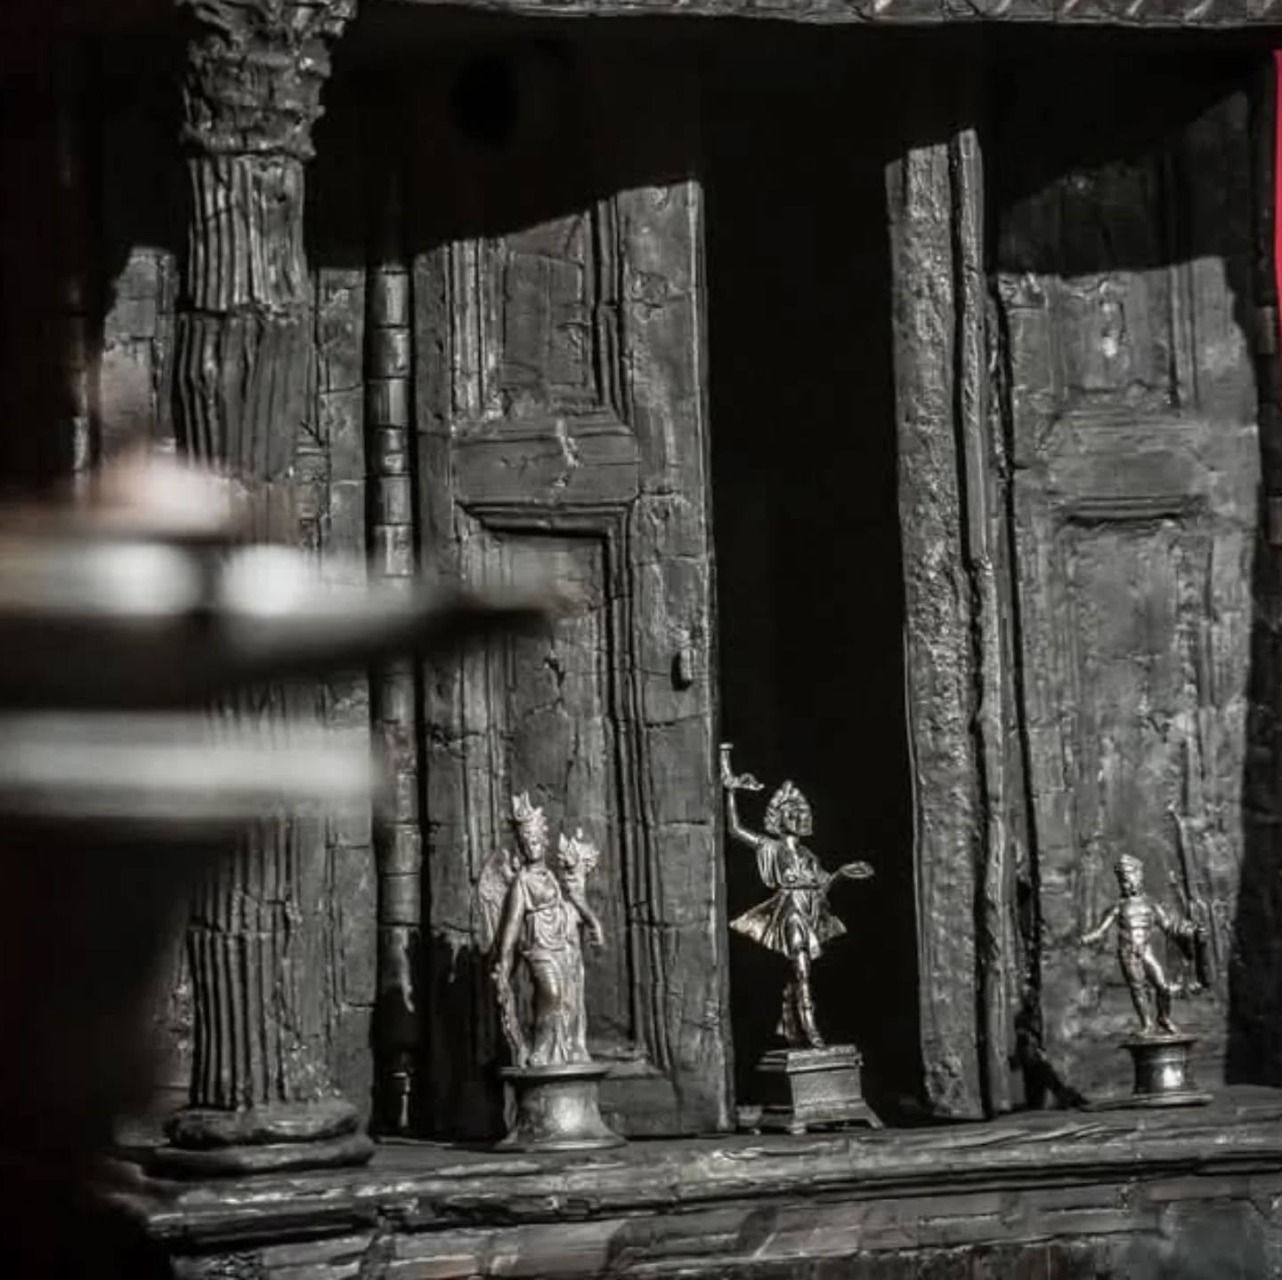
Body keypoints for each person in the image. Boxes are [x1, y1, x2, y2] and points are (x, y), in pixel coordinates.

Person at [720, 745, 873, 1049]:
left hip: (810, 911)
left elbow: (821, 887)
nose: (795, 815)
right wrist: (731, 792)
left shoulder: (809, 856)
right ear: (778, 817)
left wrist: (841, 874)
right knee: (802, 968)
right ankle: (810, 1026)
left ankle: (790, 1024)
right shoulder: (771, 848)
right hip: (789, 912)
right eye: (789, 811)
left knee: (799, 970)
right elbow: (735, 830)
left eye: (798, 811)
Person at [1081, 854, 1203, 1035]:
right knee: (1137, 988)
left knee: (1163, 986)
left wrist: (1189, 930)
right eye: (1122, 882)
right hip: (1128, 953)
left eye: (1128, 880)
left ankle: (1164, 1018)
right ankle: (1147, 1024)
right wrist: (1085, 939)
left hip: (1146, 951)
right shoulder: (1118, 906)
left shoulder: (1150, 904)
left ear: (1138, 878)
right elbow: (1101, 930)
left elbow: (1168, 926)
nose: (1125, 885)